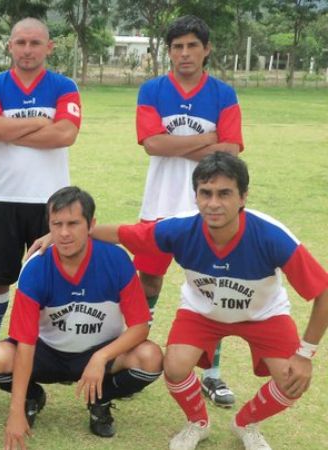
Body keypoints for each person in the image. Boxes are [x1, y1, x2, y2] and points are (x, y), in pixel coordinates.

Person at [90, 152, 328, 450]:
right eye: (206, 193)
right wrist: (67, 234)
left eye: (224, 193)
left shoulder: (271, 236)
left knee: (293, 381)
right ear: (196, 196)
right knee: (175, 366)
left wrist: (305, 355)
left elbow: (324, 293)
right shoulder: (180, 228)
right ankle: (198, 423)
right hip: (202, 313)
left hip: (263, 315)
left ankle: (246, 424)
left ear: (243, 197)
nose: (213, 203)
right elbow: (123, 233)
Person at [0, 187, 162, 447]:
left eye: (73, 223)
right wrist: (15, 410)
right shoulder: (36, 268)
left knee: (151, 357)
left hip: (99, 352)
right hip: (48, 352)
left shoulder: (116, 260)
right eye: (57, 224)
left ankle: (99, 399)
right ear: (49, 226)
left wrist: (101, 357)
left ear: (91, 225)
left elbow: (139, 327)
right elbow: (26, 343)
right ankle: (32, 398)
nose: (64, 233)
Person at [134, 15, 244, 406]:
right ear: (170, 51)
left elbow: (231, 150)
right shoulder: (152, 89)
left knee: (211, 287)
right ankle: (136, 357)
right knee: (149, 280)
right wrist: (209, 140)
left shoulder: (222, 94)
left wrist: (174, 141)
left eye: (192, 46)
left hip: (209, 206)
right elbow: (150, 144)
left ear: (206, 49)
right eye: (177, 46)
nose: (184, 53)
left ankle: (211, 374)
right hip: (159, 204)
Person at [0, 17, 82, 333]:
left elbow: (65, 135)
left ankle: (47, 344)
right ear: (10, 46)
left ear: (49, 47)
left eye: (35, 43)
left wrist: (8, 131)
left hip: (51, 201)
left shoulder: (64, 86)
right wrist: (40, 122)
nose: (27, 49)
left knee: (52, 275)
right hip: (2, 198)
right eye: (20, 42)